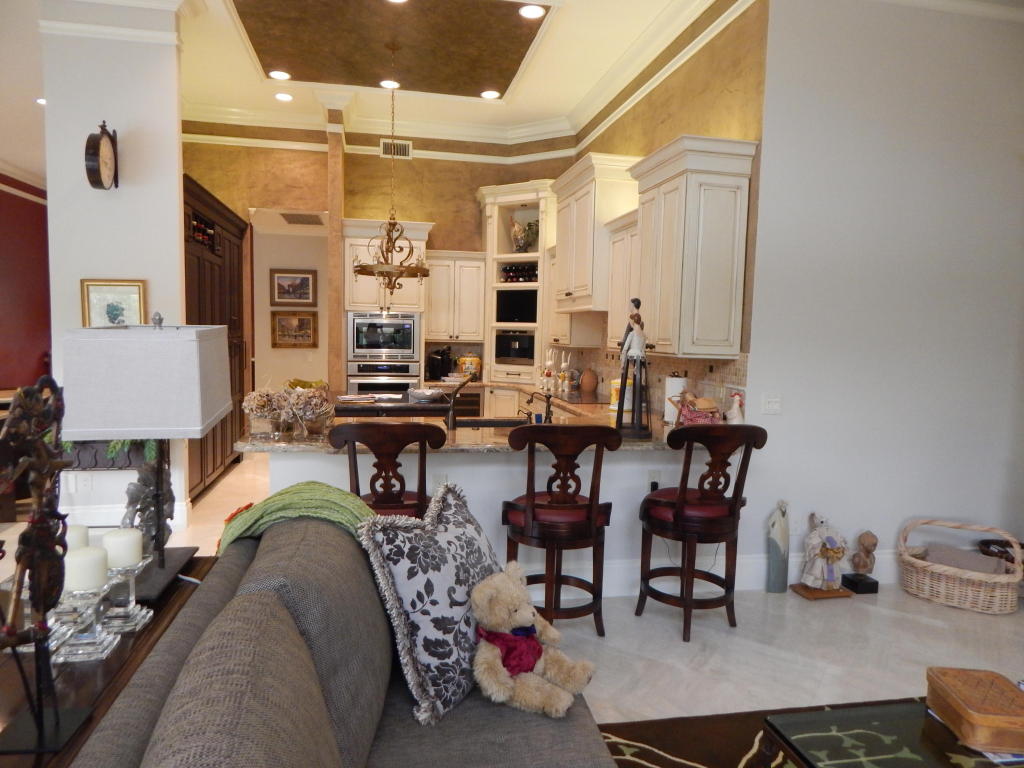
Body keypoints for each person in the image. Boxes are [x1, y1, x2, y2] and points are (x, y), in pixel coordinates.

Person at [619, 298, 647, 370]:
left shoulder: (632, 319)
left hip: (631, 351)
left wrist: (622, 352)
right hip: (638, 352)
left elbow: (627, 336)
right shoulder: (640, 321)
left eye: (630, 305)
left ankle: (635, 368)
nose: (629, 306)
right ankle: (637, 368)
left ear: (633, 305)